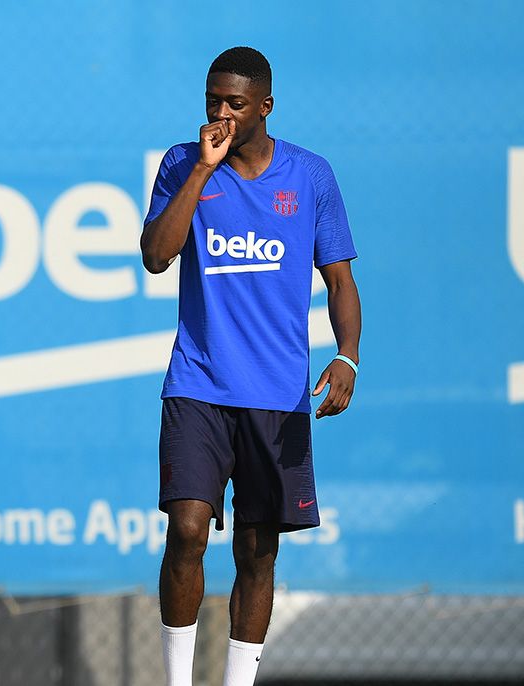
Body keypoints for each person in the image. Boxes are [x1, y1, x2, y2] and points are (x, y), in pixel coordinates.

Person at [139, 46, 362, 686]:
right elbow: (157, 255)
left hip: (277, 394)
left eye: (236, 103)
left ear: (265, 106)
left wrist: (346, 355)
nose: (221, 113)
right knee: (186, 529)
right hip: (198, 383)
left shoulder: (310, 176)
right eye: (213, 100)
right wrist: (201, 175)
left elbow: (341, 282)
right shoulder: (183, 164)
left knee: (256, 548)